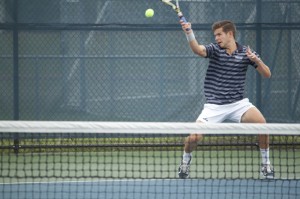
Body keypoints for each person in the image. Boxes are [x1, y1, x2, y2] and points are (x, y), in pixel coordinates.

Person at [178, 20, 274, 179]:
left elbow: (267, 74)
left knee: (262, 125)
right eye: (215, 35)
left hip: (238, 105)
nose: (216, 38)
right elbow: (198, 50)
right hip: (214, 107)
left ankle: (266, 165)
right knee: (193, 138)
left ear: (230, 34)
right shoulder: (215, 50)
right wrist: (189, 32)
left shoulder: (246, 52)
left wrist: (256, 60)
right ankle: (185, 161)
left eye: (219, 34)